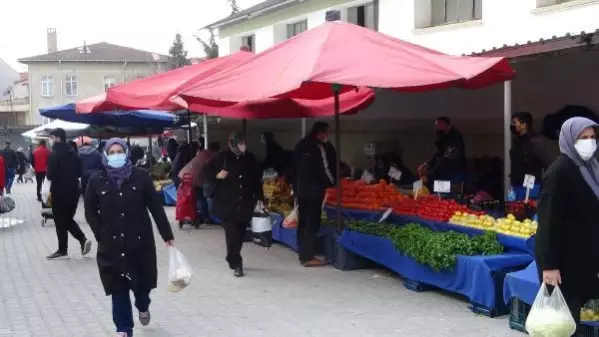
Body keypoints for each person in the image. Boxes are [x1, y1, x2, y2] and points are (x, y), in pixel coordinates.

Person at [84, 138, 174, 337]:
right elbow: (90, 211)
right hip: (111, 246)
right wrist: (101, 234)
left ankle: (143, 305)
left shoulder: (140, 177)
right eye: (112, 152)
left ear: (126, 153)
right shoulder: (96, 180)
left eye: (120, 151)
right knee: (118, 289)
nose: (116, 155)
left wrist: (167, 235)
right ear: (106, 155)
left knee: (142, 287)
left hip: (139, 244)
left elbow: (155, 208)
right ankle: (123, 329)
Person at [535, 117, 599, 334]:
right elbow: (547, 222)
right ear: (570, 140)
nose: (589, 142)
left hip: (585, 259)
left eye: (592, 137)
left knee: (576, 323)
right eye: (583, 138)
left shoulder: (591, 167)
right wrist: (549, 266)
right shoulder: (559, 171)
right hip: (564, 264)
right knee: (563, 324)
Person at [206, 132, 263, 277]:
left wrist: (260, 197)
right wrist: (218, 175)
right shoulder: (222, 157)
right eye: (240, 143)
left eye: (244, 142)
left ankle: (233, 256)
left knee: (240, 233)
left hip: (245, 203)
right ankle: (236, 262)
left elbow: (256, 178)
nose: (243, 146)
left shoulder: (249, 158)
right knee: (231, 233)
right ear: (232, 144)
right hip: (227, 203)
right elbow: (205, 172)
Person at [293, 122, 336, 267]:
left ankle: (302, 254)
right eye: (326, 133)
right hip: (314, 191)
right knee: (312, 223)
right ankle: (309, 257)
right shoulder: (319, 147)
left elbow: (293, 167)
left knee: (303, 222)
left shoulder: (300, 145)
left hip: (301, 190)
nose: (327, 136)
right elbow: (326, 169)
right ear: (320, 133)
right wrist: (333, 183)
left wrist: (295, 187)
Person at [46, 128, 92, 260]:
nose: (51, 140)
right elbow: (79, 172)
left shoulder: (55, 154)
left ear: (58, 138)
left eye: (52, 137)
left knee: (62, 219)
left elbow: (50, 175)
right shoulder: (74, 153)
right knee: (65, 219)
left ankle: (79, 241)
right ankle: (63, 249)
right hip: (74, 192)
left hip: (60, 191)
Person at [418, 117, 466, 188]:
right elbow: (439, 152)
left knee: (442, 192)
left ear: (448, 125)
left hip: (451, 174)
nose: (438, 127)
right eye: (436, 126)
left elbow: (448, 159)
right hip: (442, 172)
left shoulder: (455, 139)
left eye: (440, 125)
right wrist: (427, 164)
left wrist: (430, 173)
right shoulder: (443, 138)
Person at [510, 112, 553, 191]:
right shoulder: (517, 141)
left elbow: (548, 162)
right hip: (517, 184)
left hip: (531, 185)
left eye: (514, 123)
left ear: (524, 124)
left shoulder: (534, 141)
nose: (512, 125)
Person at [178, 138, 215, 225]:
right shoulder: (209, 155)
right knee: (201, 198)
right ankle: (204, 217)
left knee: (190, 199)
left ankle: (192, 216)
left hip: (184, 176)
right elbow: (207, 171)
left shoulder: (201, 154)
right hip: (192, 179)